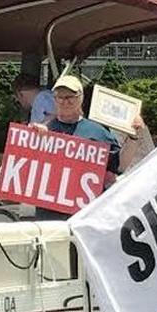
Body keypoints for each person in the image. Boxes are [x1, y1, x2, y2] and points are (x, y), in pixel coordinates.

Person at [34, 74, 121, 220]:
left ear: (80, 97)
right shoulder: (42, 130)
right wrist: (33, 139)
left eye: (70, 97)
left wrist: (134, 137)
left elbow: (114, 172)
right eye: (59, 97)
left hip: (86, 216)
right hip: (48, 216)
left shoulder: (99, 133)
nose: (64, 101)